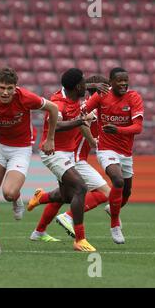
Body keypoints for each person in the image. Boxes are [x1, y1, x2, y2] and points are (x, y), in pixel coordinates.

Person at [0, 67, 59, 255]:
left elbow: (53, 108)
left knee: (8, 193)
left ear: (16, 87)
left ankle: (16, 199)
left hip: (20, 148)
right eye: (2, 87)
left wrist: (50, 138)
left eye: (10, 88)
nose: (5, 92)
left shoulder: (26, 98)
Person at [27, 75, 112, 241]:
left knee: (65, 196)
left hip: (70, 154)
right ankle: (70, 219)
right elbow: (81, 124)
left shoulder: (81, 104)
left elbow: (82, 124)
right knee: (101, 191)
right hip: (75, 157)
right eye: (106, 91)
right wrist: (91, 139)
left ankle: (39, 227)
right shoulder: (89, 108)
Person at [82, 67, 144, 244]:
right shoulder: (101, 94)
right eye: (119, 80)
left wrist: (118, 129)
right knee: (117, 180)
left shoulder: (134, 97)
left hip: (126, 152)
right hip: (106, 148)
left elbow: (137, 128)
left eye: (126, 80)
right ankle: (115, 224)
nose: (123, 83)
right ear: (111, 82)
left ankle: (113, 209)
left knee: (126, 192)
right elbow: (83, 110)